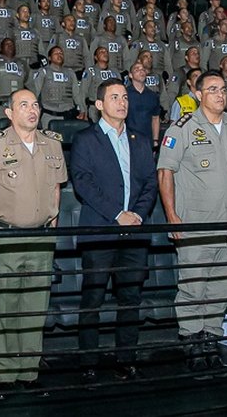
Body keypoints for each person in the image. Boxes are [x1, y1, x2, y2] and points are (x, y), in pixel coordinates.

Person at [0, 89, 66, 397]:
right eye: (24, 105)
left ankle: (29, 371)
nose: (32, 109)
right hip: (4, 236)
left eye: (35, 104)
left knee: (35, 308)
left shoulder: (53, 144)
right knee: (7, 308)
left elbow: (57, 190)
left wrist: (52, 227)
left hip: (41, 237)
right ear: (9, 113)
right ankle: (6, 374)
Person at [157, 70, 227, 374]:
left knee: (222, 286)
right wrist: (173, 217)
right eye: (212, 89)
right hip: (196, 224)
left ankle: (211, 338)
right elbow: (165, 172)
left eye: (223, 89)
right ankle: (191, 342)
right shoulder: (182, 127)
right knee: (193, 287)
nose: (220, 94)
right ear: (198, 95)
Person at [71, 79, 158, 380]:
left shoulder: (141, 139)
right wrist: (117, 214)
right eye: (114, 97)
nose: (122, 102)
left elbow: (150, 183)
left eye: (124, 97)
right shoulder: (85, 139)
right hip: (100, 232)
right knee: (92, 300)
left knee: (130, 298)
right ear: (98, 104)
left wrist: (136, 214)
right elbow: (83, 182)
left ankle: (126, 359)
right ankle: (88, 362)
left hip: (135, 231)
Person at [126, 61, 161, 148]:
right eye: (137, 69)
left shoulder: (153, 95)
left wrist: (155, 140)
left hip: (147, 140)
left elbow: (155, 118)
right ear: (130, 75)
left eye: (143, 69)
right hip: (128, 140)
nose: (141, 71)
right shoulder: (124, 94)